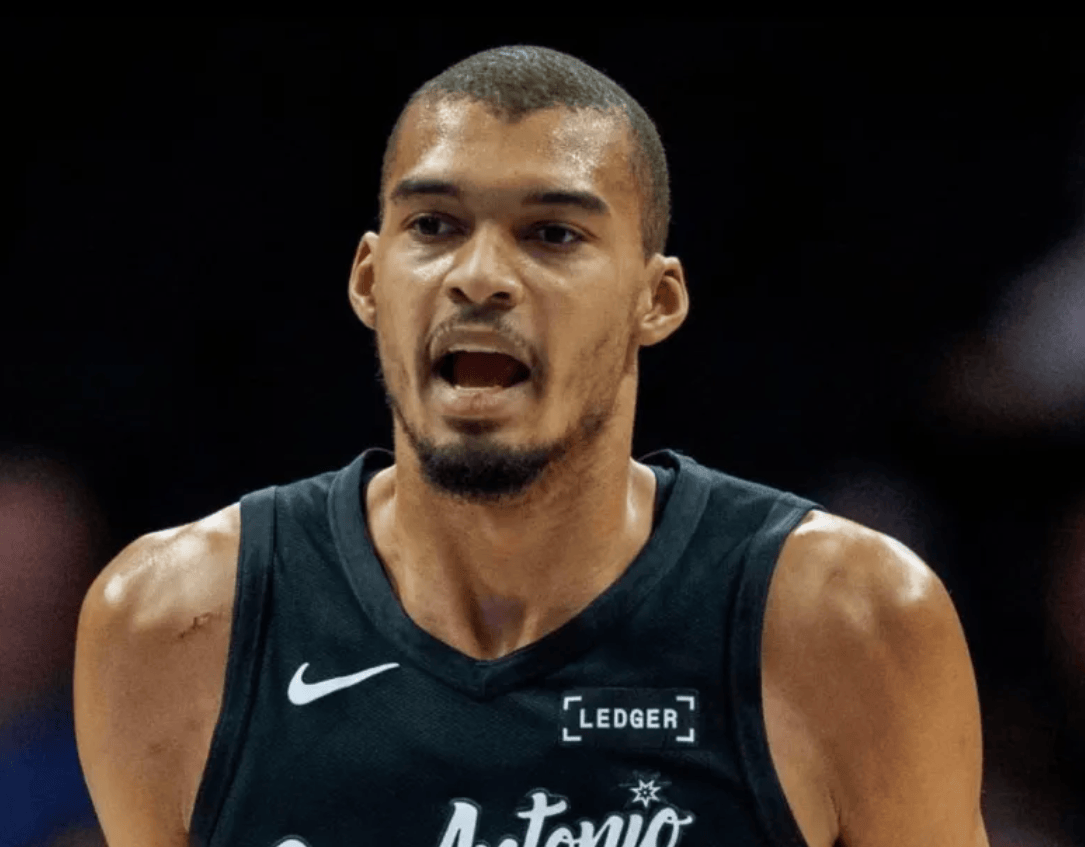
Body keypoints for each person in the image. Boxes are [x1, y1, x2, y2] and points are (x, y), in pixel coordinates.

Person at [73, 45, 988, 847]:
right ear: (368, 280)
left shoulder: (851, 622)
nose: (479, 276)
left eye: (552, 233)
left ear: (656, 300)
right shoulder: (173, 622)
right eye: (433, 226)